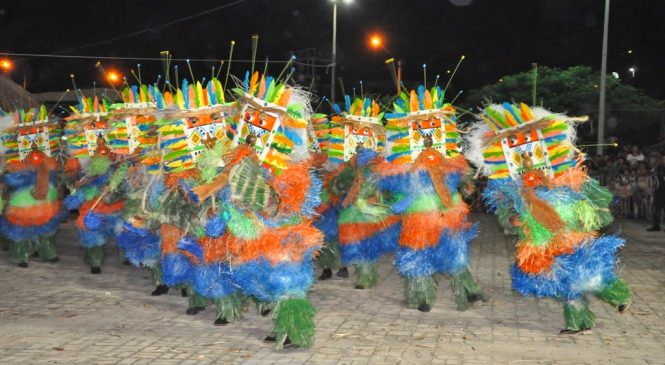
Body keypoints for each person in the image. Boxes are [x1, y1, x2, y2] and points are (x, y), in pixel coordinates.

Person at [647, 155, 665, 231]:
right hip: (659, 192)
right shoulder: (658, 169)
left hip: (662, 192)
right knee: (657, 209)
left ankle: (657, 226)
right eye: (663, 159)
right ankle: (656, 226)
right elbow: (652, 177)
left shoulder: (659, 170)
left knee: (660, 209)